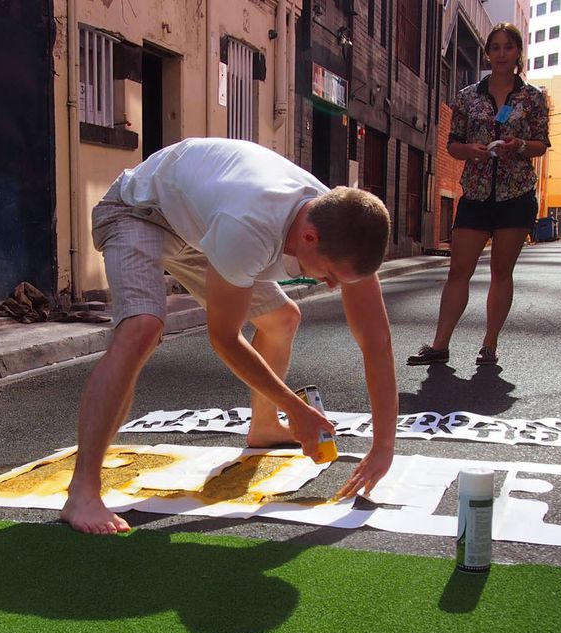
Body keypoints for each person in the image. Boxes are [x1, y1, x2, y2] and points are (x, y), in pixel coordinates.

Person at [61, 138, 396, 534]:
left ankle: (265, 427)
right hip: (140, 211)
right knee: (143, 327)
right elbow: (224, 338)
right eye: (331, 275)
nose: (330, 286)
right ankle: (82, 489)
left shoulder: (344, 224)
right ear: (309, 238)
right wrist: (298, 410)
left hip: (202, 226)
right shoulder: (250, 225)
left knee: (281, 318)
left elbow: (376, 341)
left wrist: (383, 448)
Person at [407, 22, 549, 367]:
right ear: (488, 54)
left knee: (502, 271)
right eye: (495, 47)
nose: (501, 53)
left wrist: (518, 145)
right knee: (459, 269)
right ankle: (440, 345)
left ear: (517, 54)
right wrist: (471, 149)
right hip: (476, 192)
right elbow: (452, 145)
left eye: (508, 47)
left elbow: (541, 144)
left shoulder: (532, 98)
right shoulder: (468, 96)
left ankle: (489, 345)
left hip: (515, 195)